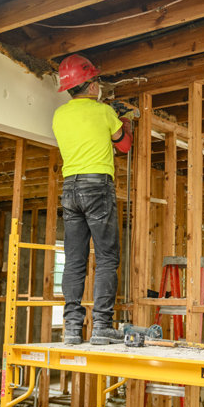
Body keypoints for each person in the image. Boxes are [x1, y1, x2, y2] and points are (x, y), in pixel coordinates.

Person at [52, 54, 132, 345]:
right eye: (96, 80)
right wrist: (121, 119)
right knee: (107, 258)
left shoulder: (59, 115)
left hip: (70, 188)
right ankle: (101, 327)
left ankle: (72, 329)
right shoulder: (103, 112)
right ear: (89, 84)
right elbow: (124, 146)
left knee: (74, 261)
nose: (99, 85)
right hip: (97, 186)